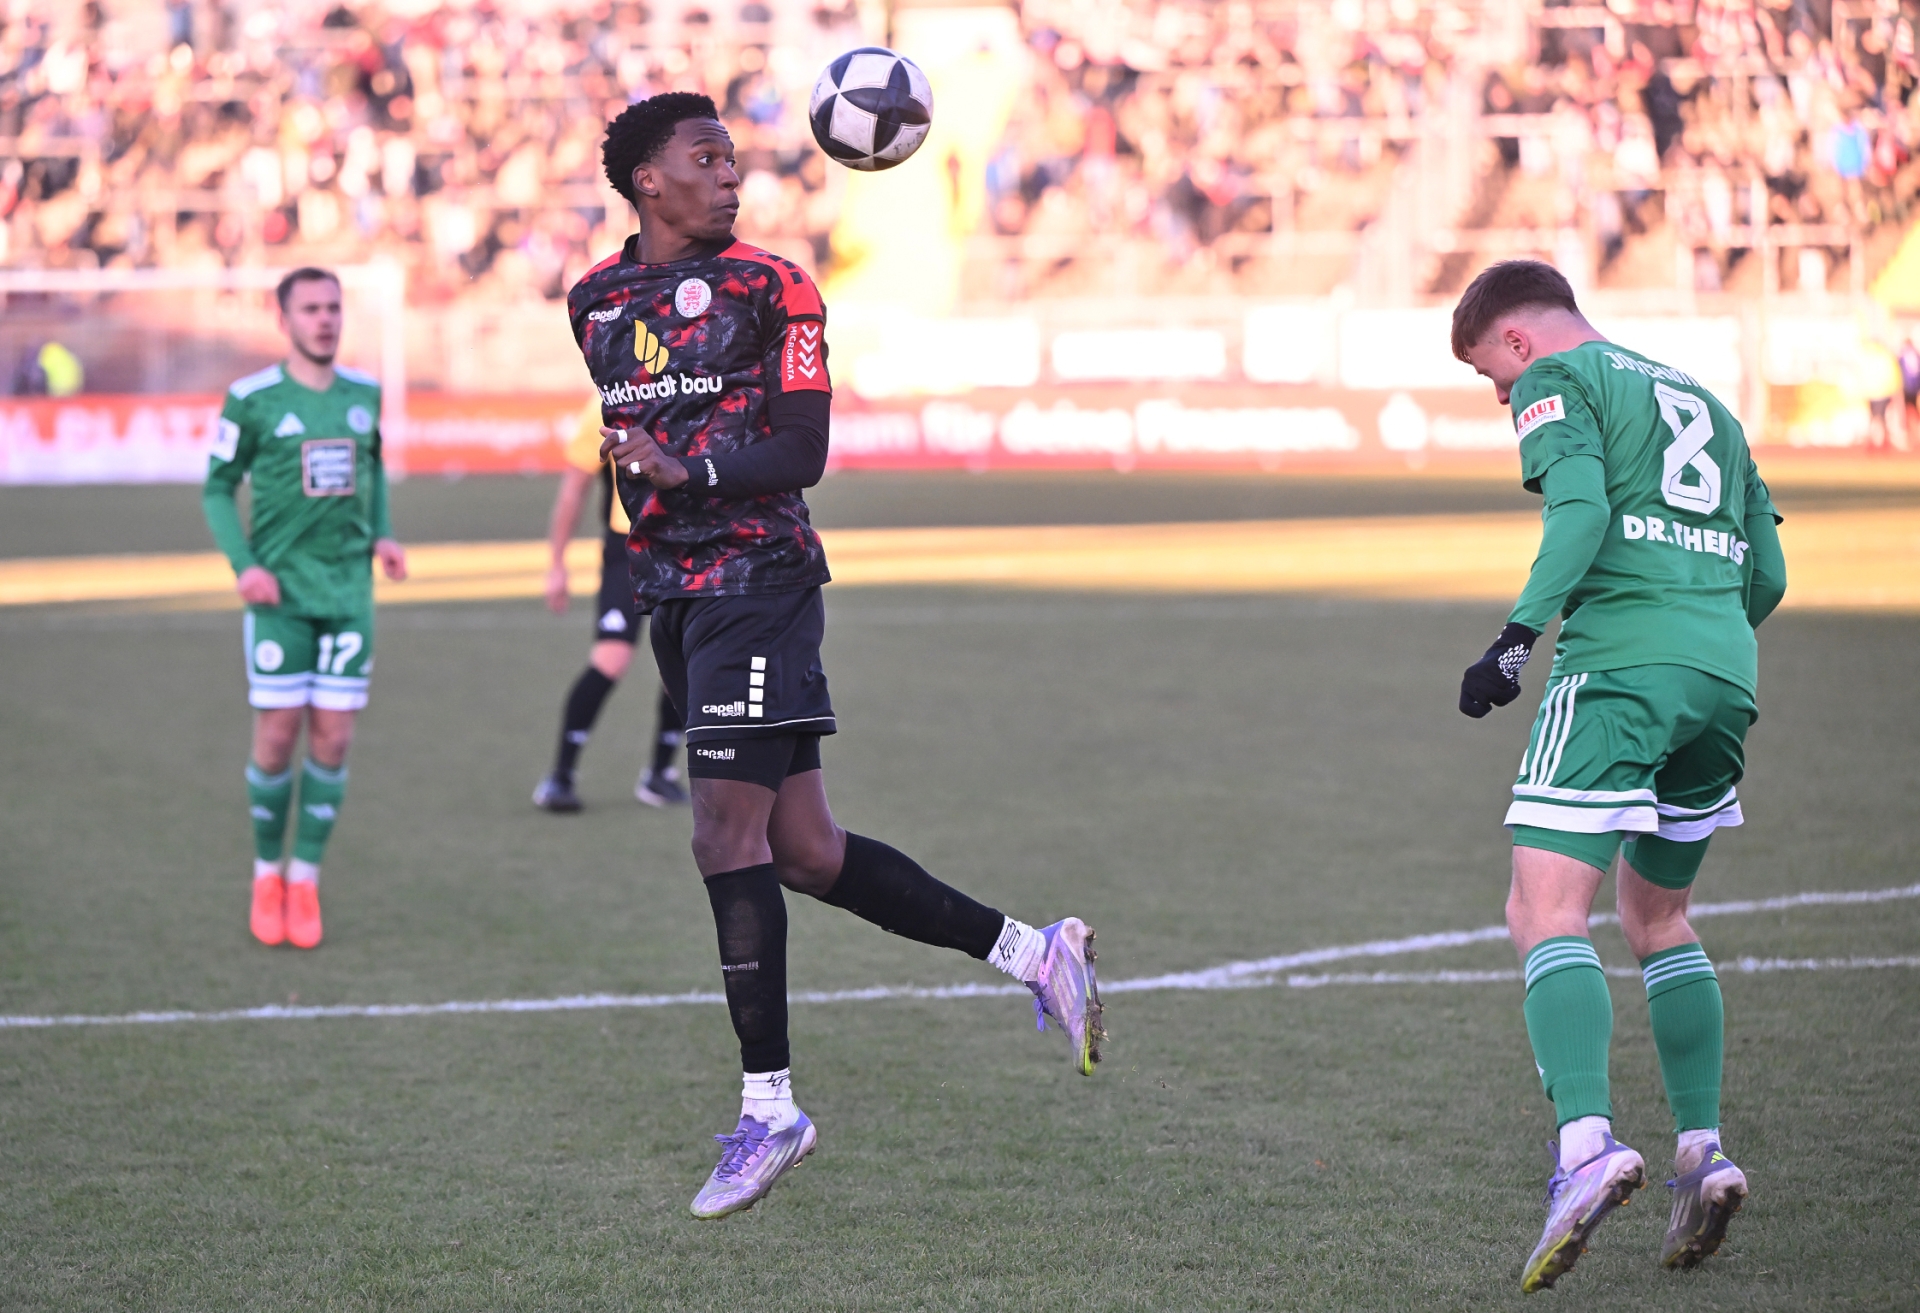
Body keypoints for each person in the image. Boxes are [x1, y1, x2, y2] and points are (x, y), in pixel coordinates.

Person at [570, 92, 1104, 1220]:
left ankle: (770, 1110)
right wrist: (646, 483)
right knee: (805, 852)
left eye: (733, 159)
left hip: (759, 586)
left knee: (723, 833)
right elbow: (631, 441)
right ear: (647, 180)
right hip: (673, 598)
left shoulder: (776, 287)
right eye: (706, 158)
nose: (731, 176)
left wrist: (690, 471)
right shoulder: (595, 301)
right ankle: (1037, 952)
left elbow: (803, 449)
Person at [1451, 260, 1787, 1293]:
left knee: (1543, 908)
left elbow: (1582, 510)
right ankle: (1703, 1152)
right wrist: (1700, 640)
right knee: (1660, 916)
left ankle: (1587, 1146)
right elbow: (1770, 574)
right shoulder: (1708, 402)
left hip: (1620, 670)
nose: (1502, 398)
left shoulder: (1560, 378)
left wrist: (1516, 638)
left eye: (1492, 376)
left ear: (1518, 341)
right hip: (1724, 673)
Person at [202, 267, 408, 950]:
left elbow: (373, 471)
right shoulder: (252, 399)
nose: (324, 319)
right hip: (281, 596)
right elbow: (216, 488)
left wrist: (382, 534)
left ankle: (304, 878)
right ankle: (267, 874)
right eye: (311, 309)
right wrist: (246, 566)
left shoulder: (364, 394)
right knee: (276, 736)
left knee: (334, 738)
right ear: (283, 319)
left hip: (347, 595)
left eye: (332, 308)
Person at [531, 397, 688, 812]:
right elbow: (574, 488)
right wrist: (557, 564)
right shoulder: (605, 405)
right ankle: (560, 775)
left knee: (684, 659)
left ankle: (660, 774)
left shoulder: (694, 390)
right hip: (629, 546)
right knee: (611, 658)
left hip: (686, 541)